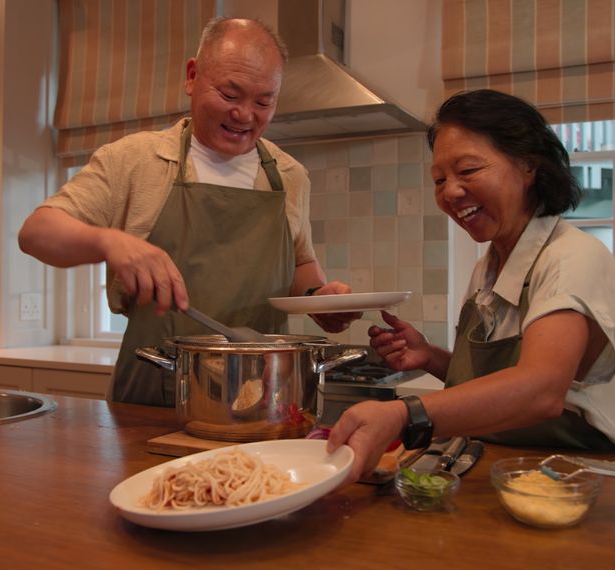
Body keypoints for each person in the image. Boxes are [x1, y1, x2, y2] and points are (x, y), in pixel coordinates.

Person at [18, 18, 359, 406]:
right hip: (154, 390)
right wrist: (108, 241)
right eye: (231, 95)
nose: (246, 115)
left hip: (261, 395)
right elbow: (36, 232)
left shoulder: (289, 175)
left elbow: (300, 264)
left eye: (264, 102)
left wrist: (321, 299)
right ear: (193, 76)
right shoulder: (134, 160)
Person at [327, 90, 615, 481]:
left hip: (577, 479)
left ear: (528, 165)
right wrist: (431, 357)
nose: (451, 191)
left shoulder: (570, 258)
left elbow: (540, 390)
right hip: (507, 467)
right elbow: (495, 387)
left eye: (469, 170)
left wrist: (403, 414)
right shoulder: (490, 267)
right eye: (440, 179)